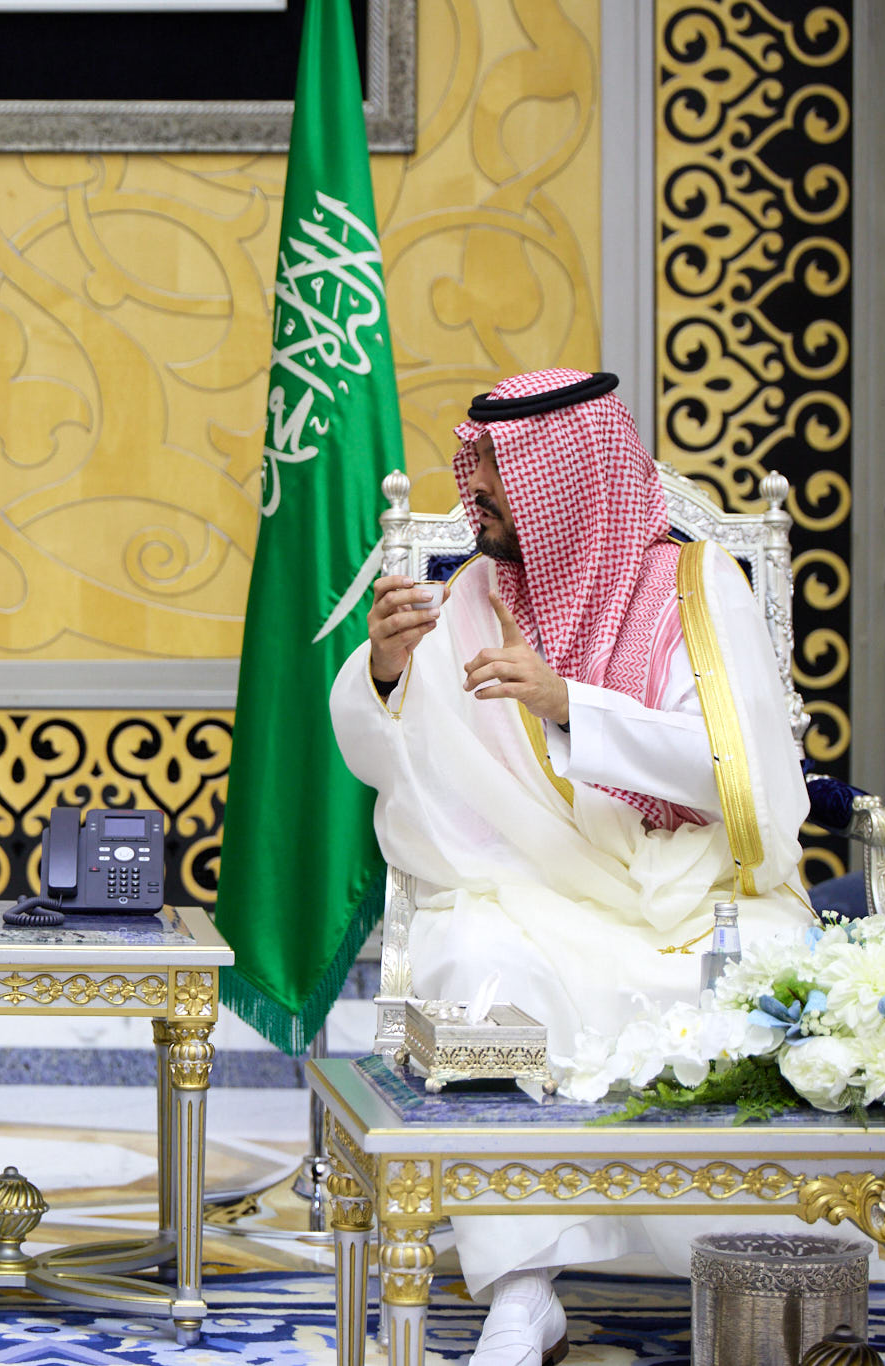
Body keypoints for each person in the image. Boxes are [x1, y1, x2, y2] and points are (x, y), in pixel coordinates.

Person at [328, 369, 816, 1366]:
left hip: (693, 883)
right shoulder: (473, 598)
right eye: (475, 464)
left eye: (497, 470)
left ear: (568, 481)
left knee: (771, 980)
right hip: (532, 883)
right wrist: (383, 670)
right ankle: (521, 1289)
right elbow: (389, 754)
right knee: (477, 972)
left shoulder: (696, 589)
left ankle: (755, 1270)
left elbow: (737, 773)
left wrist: (568, 704)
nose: (475, 491)